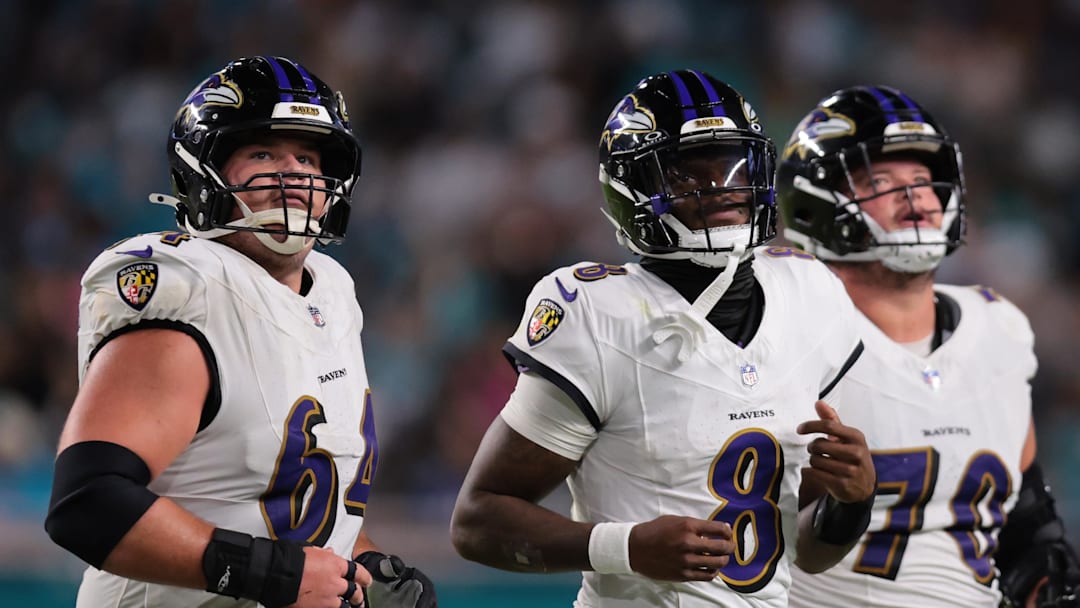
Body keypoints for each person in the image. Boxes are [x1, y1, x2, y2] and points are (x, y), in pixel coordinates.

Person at [449, 69, 877, 607]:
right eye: (687, 174)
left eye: (733, 165)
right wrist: (623, 547)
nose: (721, 187)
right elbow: (477, 519)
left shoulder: (808, 292)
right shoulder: (601, 314)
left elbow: (806, 550)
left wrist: (854, 500)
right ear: (635, 189)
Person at [44, 56, 437, 608]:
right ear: (202, 175)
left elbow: (280, 501)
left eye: (307, 156)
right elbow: (87, 504)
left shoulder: (331, 291)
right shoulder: (189, 288)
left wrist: (363, 565)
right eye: (263, 153)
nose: (295, 173)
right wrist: (269, 575)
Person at [776, 85, 1080, 608]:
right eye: (881, 181)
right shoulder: (784, 332)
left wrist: (1043, 578)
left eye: (921, 179)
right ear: (813, 205)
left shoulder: (998, 325)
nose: (914, 195)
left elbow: (1026, 510)